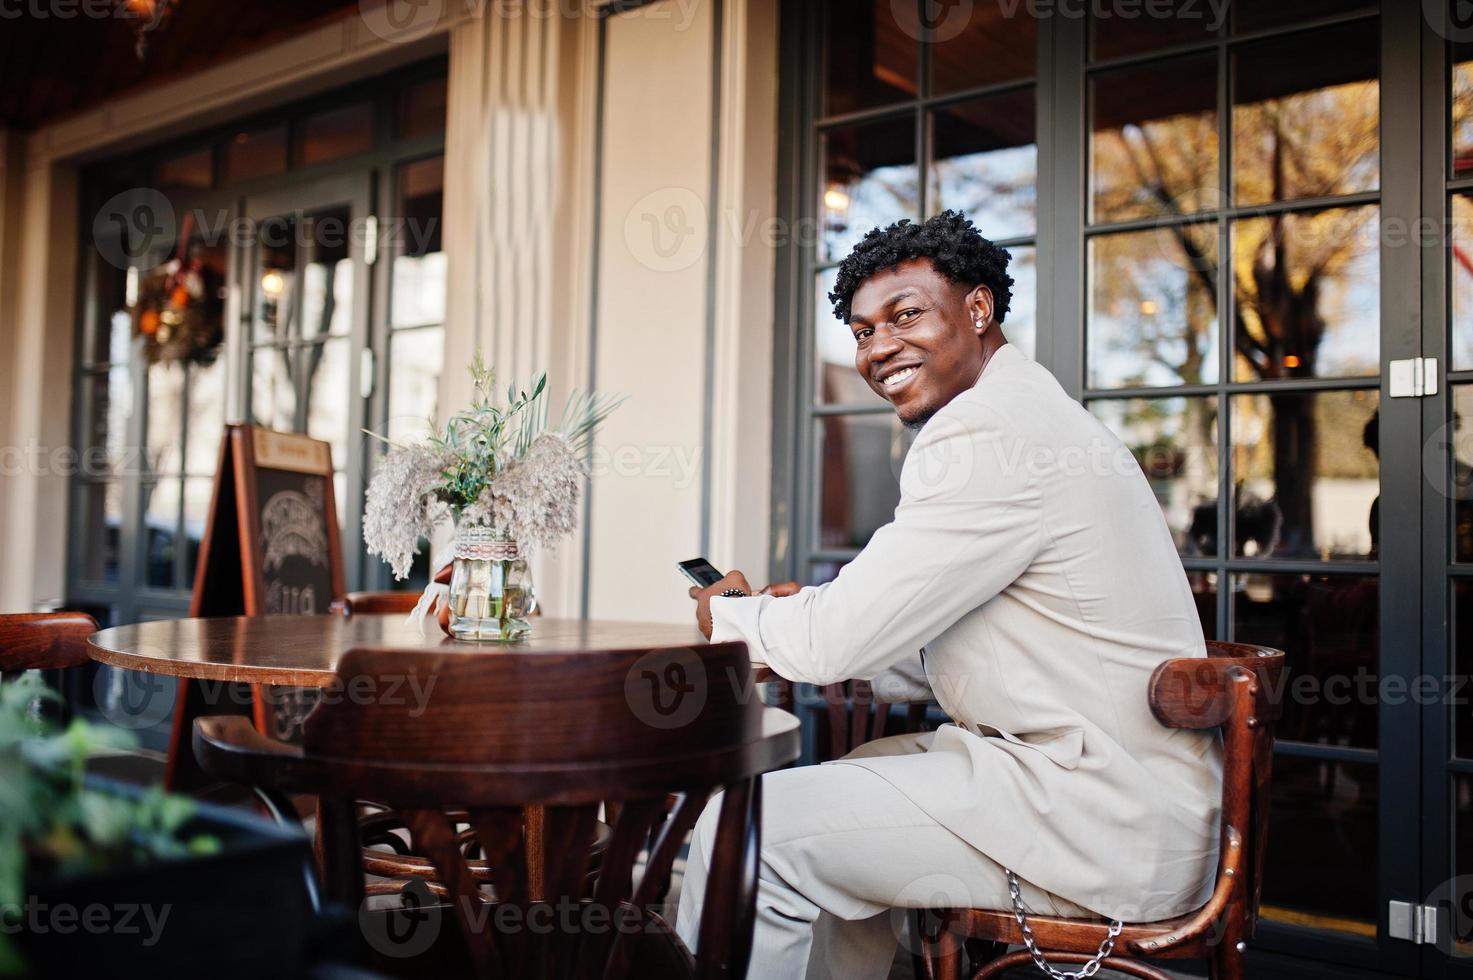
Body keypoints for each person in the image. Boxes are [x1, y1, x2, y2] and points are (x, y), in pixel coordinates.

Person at [676, 211, 1222, 980]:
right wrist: (805, 632)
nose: (878, 348)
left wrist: (732, 617)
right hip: (1120, 795)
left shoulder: (988, 432)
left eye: (905, 314)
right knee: (849, 780)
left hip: (1104, 818)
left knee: (753, 830)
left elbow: (832, 639)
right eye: (863, 331)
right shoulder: (1031, 414)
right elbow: (989, 642)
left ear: (977, 308)